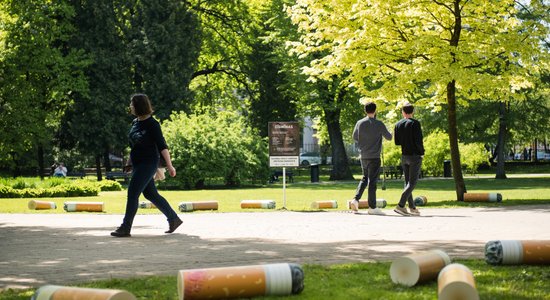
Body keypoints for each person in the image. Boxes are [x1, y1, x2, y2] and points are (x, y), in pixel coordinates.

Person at [111, 93, 182, 237]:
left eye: (132, 104)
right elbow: (134, 145)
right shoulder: (135, 123)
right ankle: (174, 219)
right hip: (137, 163)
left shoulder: (153, 124)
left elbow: (162, 146)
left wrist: (170, 166)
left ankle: (126, 227)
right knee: (150, 194)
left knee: (132, 193)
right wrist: (129, 162)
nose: (130, 106)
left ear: (139, 105)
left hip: (149, 163)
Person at [350, 102, 392, 215]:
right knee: (372, 181)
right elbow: (389, 137)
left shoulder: (359, 123)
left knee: (364, 178)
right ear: (375, 110)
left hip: (363, 155)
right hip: (374, 156)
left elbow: (355, 137)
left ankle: (355, 199)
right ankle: (372, 207)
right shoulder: (379, 124)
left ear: (365, 111)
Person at [393, 102, 424, 216]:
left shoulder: (398, 124)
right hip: (414, 155)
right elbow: (418, 140)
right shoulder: (415, 123)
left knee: (407, 182)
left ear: (403, 112)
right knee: (412, 182)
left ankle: (412, 207)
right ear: (412, 112)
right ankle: (401, 205)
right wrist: (421, 152)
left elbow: (397, 142)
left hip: (404, 155)